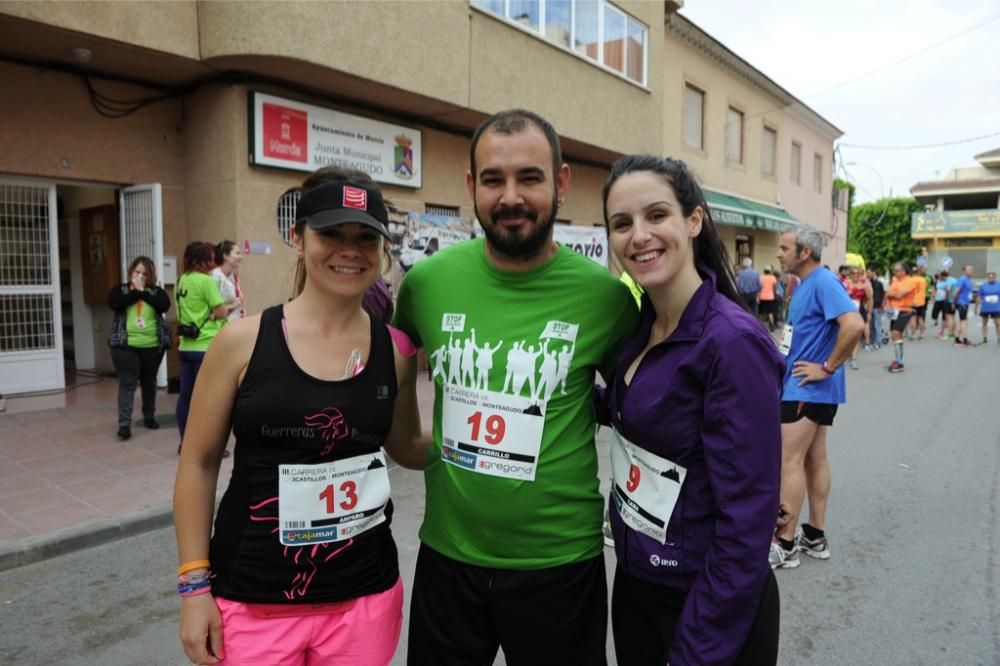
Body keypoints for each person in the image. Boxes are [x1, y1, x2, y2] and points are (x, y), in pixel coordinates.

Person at [393, 109, 638, 665]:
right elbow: (390, 374)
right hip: (448, 559)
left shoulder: (605, 298)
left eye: (529, 177)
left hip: (560, 564)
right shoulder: (428, 284)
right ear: (471, 187)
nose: (510, 197)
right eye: (492, 179)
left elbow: (649, 404)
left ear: (562, 183)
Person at [173, 177, 427, 665]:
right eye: (332, 234)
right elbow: (199, 463)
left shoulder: (395, 352)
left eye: (365, 238)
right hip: (252, 601)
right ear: (298, 237)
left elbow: (408, 445)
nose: (349, 251)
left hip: (364, 601)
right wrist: (193, 586)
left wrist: (487, 430)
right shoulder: (241, 343)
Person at [602, 154, 784, 665]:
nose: (638, 235)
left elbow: (746, 522)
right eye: (622, 223)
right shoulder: (640, 325)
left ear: (694, 220)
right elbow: (645, 418)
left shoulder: (732, 344)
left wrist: (698, 648)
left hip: (708, 603)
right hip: (638, 583)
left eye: (656, 215)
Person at [770, 225, 865, 569]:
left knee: (788, 461)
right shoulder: (804, 285)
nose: (778, 254)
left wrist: (826, 367)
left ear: (804, 252)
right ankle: (814, 535)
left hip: (806, 388)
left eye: (784, 248)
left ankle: (785, 543)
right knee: (813, 460)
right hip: (807, 389)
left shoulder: (823, 281)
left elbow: (853, 324)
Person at [107, 256, 171, 439]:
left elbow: (164, 305)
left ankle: (149, 416)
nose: (140, 276)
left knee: (149, 382)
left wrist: (144, 292)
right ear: (131, 272)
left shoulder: (155, 292)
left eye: (145, 273)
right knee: (127, 383)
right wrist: (137, 292)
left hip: (151, 345)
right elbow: (115, 303)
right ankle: (124, 424)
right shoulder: (122, 290)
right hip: (125, 346)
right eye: (137, 272)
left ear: (151, 275)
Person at [175, 242, 228, 453]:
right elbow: (222, 311)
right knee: (208, 399)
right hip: (206, 345)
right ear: (205, 258)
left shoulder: (182, 280)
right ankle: (208, 447)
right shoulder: (205, 281)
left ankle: (184, 442)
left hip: (186, 346)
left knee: (186, 396)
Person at [885, 262, 919, 372]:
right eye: (894, 270)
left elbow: (899, 295)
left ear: (903, 271)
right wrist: (892, 295)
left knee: (896, 333)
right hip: (894, 311)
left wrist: (892, 294)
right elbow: (888, 294)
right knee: (895, 335)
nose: (894, 272)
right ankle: (898, 360)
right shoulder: (895, 281)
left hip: (904, 310)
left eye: (896, 270)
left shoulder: (910, 281)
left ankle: (900, 363)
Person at [844, 266, 873, 369]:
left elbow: (870, 299)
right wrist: (848, 294)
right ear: (850, 274)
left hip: (859, 312)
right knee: (845, 335)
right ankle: (846, 355)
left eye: (858, 273)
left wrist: (869, 312)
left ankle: (854, 359)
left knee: (857, 335)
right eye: (853, 273)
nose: (856, 275)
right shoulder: (845, 284)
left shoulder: (864, 285)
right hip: (846, 312)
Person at [211, 240, 246, 321]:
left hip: (234, 324)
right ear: (225, 256)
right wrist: (233, 305)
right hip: (220, 328)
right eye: (237, 253)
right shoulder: (215, 276)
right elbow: (212, 312)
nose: (241, 257)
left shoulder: (232, 277)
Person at [952, 264, 975, 346]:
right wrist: (954, 303)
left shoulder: (969, 280)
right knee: (964, 321)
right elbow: (957, 291)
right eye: (969, 269)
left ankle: (957, 339)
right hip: (961, 303)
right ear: (964, 271)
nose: (971, 271)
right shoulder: (962, 279)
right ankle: (964, 340)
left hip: (966, 302)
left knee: (962, 321)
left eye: (972, 269)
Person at [932, 270, 956, 340]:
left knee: (948, 318)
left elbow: (948, 289)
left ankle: (949, 334)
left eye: (940, 276)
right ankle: (952, 334)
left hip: (948, 301)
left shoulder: (948, 280)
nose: (940, 277)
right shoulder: (953, 279)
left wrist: (947, 298)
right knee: (952, 317)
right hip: (952, 300)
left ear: (943, 276)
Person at [866, 267, 885, 350]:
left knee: (877, 325)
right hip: (870, 307)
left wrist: (882, 305)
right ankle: (872, 341)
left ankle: (878, 342)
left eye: (869, 272)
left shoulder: (879, 283)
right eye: (867, 272)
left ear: (873, 273)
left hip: (877, 307)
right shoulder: (867, 283)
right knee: (871, 326)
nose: (868, 274)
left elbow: (883, 294)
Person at [978, 271, 1000, 345]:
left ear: (995, 277)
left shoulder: (999, 285)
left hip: (996, 308)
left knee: (998, 323)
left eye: (992, 277)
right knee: (984, 323)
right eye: (989, 277)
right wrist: (976, 307)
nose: (991, 278)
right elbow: (979, 296)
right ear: (987, 278)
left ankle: (999, 338)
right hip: (985, 308)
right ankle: (984, 338)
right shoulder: (983, 286)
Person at [907, 265, 928, 340]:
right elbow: (925, 289)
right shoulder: (923, 280)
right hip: (922, 301)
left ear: (912, 272)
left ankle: (913, 334)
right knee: (920, 318)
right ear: (918, 272)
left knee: (913, 318)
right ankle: (921, 334)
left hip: (913, 301)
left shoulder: (910, 280)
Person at [758, 265, 779, 331]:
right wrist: (775, 295)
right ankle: (771, 326)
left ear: (764, 270)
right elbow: (774, 288)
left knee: (761, 312)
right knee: (770, 312)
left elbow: (759, 287)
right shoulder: (773, 277)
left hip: (762, 296)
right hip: (770, 297)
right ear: (770, 271)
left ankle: (759, 326)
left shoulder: (760, 277)